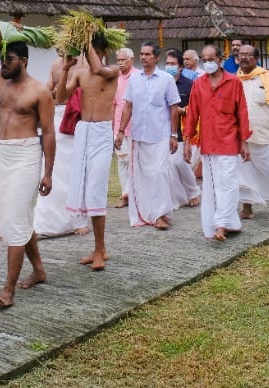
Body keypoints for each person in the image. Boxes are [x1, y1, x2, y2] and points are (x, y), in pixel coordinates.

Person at [0, 41, 55, 309]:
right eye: (2, 58)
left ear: (25, 61)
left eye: (9, 59)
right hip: (1, 154)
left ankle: (8, 291)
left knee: (16, 219)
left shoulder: (40, 92)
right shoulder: (0, 80)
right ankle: (39, 270)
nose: (3, 63)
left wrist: (48, 172)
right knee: (16, 217)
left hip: (26, 155)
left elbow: (49, 133)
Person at [60, 33, 119, 270]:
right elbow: (60, 96)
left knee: (96, 190)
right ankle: (99, 249)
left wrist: (85, 41)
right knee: (83, 189)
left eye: (93, 50)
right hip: (84, 132)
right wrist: (65, 69)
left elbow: (99, 69)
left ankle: (99, 248)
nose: (89, 56)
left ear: (102, 52)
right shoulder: (80, 75)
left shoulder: (112, 70)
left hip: (103, 133)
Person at [184, 44, 252, 240]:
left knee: (228, 183)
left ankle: (221, 224)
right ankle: (226, 223)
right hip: (208, 143)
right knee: (213, 185)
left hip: (229, 141)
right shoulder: (199, 84)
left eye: (211, 59)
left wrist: (244, 142)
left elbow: (242, 113)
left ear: (220, 60)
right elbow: (192, 114)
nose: (207, 63)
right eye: (204, 60)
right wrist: (187, 141)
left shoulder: (234, 82)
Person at [119, 41, 182, 230]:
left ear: (157, 57)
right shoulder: (134, 80)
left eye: (148, 54)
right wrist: (121, 131)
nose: (144, 57)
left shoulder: (166, 79)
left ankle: (161, 214)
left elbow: (173, 108)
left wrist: (173, 135)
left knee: (160, 174)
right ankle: (145, 213)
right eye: (142, 54)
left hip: (161, 135)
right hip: (139, 136)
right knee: (142, 176)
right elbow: (128, 107)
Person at [33, 49, 90, 238]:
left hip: (76, 116)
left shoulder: (85, 63)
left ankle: (77, 219)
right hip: (57, 116)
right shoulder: (55, 64)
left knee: (75, 169)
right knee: (53, 168)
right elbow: (49, 89)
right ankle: (48, 220)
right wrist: (51, 91)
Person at [235, 44, 269, 218]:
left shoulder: (267, 78)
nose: (244, 58)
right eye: (241, 54)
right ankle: (247, 208)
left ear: (256, 59)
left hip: (263, 134)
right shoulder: (234, 80)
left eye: (248, 55)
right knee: (245, 172)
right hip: (241, 137)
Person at [163, 48, 201, 208]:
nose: (169, 66)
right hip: (164, 127)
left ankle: (193, 191)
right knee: (168, 165)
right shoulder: (162, 81)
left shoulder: (189, 84)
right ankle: (176, 198)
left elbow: (196, 107)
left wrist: (181, 111)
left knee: (180, 162)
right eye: (167, 64)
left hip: (182, 128)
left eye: (173, 64)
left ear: (180, 66)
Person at [111, 47, 136, 207]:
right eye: (118, 60)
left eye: (123, 60)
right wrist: (112, 125)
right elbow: (114, 104)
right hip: (118, 126)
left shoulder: (138, 76)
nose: (120, 63)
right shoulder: (116, 78)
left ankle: (130, 193)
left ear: (131, 60)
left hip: (134, 126)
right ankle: (124, 194)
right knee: (122, 161)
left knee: (133, 161)